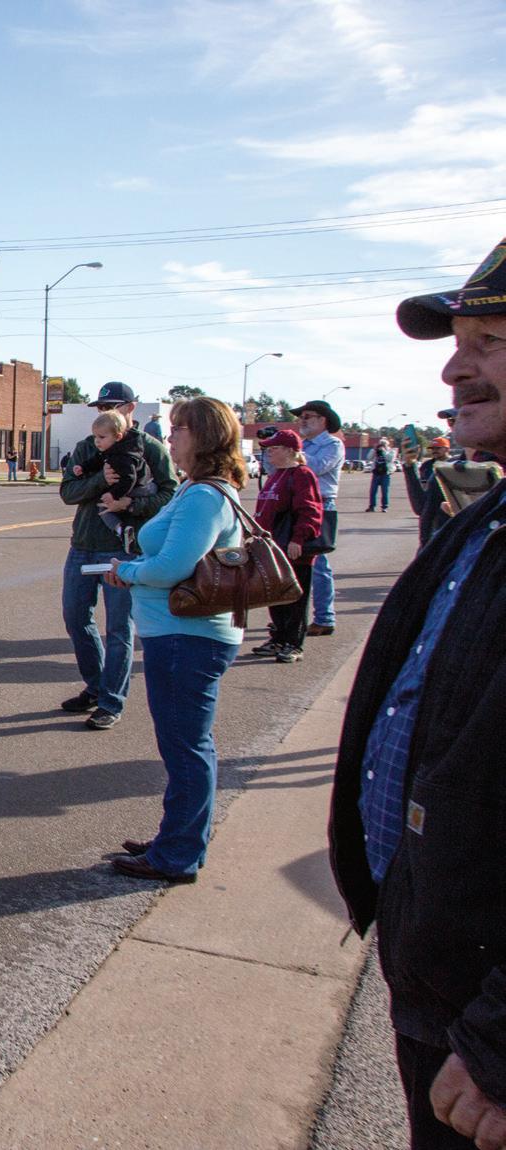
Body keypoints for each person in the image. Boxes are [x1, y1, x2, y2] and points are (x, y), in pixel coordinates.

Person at [330, 238, 506, 1150]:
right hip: (442, 988)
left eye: (491, 342)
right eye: (460, 342)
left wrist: (500, 1041)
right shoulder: (488, 518)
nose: (454, 368)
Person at [100, 397, 247, 882]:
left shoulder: (205, 496)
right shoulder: (196, 489)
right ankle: (178, 838)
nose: (170, 436)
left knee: (186, 747)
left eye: (180, 428)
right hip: (181, 634)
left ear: (204, 436)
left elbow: (172, 567)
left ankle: (176, 854)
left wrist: (128, 572)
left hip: (188, 637)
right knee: (185, 744)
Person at [59, 381, 179, 730]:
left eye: (114, 406)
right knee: (75, 618)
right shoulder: (88, 446)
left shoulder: (150, 448)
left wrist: (130, 503)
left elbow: (170, 494)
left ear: (131, 408)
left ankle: (111, 701)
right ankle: (96, 687)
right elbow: (68, 492)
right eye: (100, 407)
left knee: (118, 628)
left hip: (123, 549)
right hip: (83, 544)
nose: (106, 412)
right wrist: (100, 479)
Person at [249, 429, 322, 663]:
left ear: (290, 451)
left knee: (295, 598)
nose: (269, 452)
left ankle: (294, 643)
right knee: (276, 596)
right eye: (268, 448)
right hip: (272, 548)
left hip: (292, 548)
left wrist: (298, 539)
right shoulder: (276, 475)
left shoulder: (302, 474)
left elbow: (310, 510)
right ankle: (278, 638)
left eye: (274, 448)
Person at [290, 400, 345, 636]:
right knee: (294, 564)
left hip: (320, 505)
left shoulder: (333, 444)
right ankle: (292, 618)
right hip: (295, 504)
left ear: (323, 420)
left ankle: (324, 617)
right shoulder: (301, 446)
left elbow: (317, 467)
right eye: (301, 417)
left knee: (317, 564)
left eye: (307, 416)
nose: (302, 421)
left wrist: (291, 453)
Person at [72, 410, 155, 550]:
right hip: (131, 486)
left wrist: (113, 495)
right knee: (107, 504)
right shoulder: (110, 450)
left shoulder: (124, 456)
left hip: (142, 488)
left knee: (104, 505)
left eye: (102, 437)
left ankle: (122, 531)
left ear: (118, 437)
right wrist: (83, 467)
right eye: (95, 436)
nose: (97, 441)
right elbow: (97, 460)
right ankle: (123, 531)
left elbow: (129, 479)